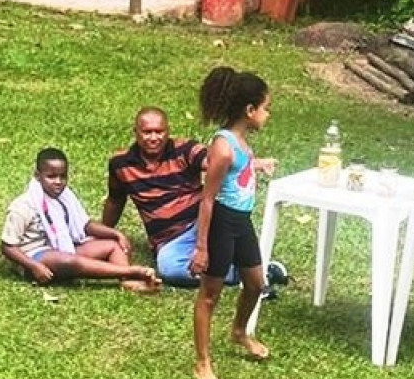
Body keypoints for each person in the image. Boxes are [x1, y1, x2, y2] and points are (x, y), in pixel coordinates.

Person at [102, 107, 287, 290]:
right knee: (170, 268)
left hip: (203, 223)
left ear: (168, 132)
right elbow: (115, 200)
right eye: (147, 132)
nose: (153, 138)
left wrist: (253, 164)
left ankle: (252, 271)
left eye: (159, 132)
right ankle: (244, 274)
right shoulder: (121, 165)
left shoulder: (184, 149)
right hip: (169, 239)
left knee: (225, 230)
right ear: (136, 132)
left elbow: (216, 162)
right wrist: (103, 233)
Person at [189, 67, 277, 379]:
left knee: (255, 283)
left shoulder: (240, 143)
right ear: (249, 110)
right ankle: (202, 363)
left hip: (242, 221)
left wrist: (257, 164)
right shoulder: (223, 147)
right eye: (265, 108)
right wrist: (201, 247)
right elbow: (208, 198)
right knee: (209, 296)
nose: (267, 115)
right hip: (222, 222)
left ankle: (239, 332)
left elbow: (236, 169)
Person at [0, 148, 158, 292]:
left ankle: (127, 281)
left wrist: (116, 234)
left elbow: (85, 226)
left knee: (113, 245)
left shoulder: (66, 196)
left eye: (63, 176)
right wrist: (33, 266)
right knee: (71, 261)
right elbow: (7, 246)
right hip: (34, 256)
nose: (58, 181)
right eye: (51, 176)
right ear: (37, 176)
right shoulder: (23, 206)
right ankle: (131, 271)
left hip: (64, 247)